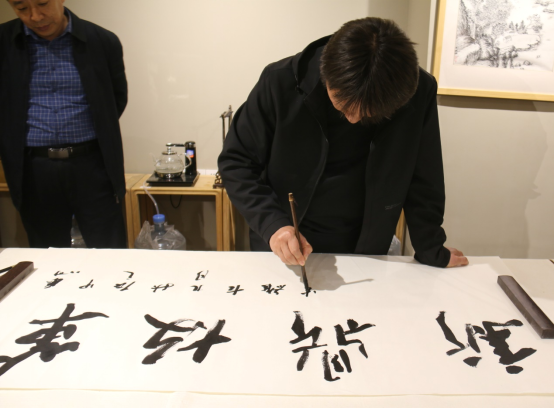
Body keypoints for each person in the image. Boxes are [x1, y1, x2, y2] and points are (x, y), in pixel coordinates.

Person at [219, 17, 469, 268]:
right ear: (325, 71)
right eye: (344, 105)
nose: (353, 119)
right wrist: (272, 224)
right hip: (285, 238)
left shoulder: (417, 91)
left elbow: (424, 174)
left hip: (366, 244)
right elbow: (237, 161)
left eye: (370, 113)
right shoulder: (280, 82)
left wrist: (430, 247)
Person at [0, 0, 128, 248]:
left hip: (92, 165)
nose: (35, 16)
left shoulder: (102, 40)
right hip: (33, 169)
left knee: (108, 249)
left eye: (42, 3)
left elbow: (115, 101)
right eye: (21, 7)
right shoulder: (3, 42)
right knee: (46, 252)